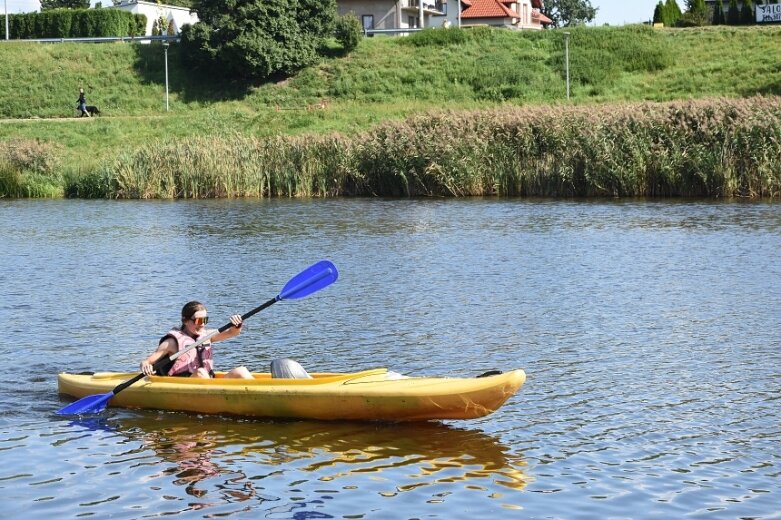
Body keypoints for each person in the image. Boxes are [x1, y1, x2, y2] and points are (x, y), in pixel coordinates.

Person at [140, 301, 253, 379]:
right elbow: (147, 362)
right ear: (185, 321)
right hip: (183, 385)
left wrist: (237, 325)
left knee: (241, 370)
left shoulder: (207, 336)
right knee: (201, 372)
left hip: (207, 381)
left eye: (205, 320)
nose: (202, 324)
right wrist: (146, 366)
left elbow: (232, 332)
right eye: (199, 321)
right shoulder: (171, 342)